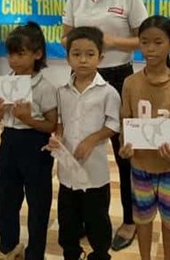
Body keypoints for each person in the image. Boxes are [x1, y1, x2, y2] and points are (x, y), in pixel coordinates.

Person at [61, 0, 148, 250]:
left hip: (119, 78)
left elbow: (144, 40)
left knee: (125, 153)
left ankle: (130, 220)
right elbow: (65, 37)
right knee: (80, 146)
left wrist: (111, 42)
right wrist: (79, 46)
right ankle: (86, 217)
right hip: (82, 78)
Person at [118, 16, 170, 260]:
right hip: (140, 166)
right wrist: (124, 146)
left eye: (158, 42)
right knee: (142, 219)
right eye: (145, 42)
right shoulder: (130, 83)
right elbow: (125, 121)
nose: (150, 49)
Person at [49, 26, 121, 260]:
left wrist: (93, 139)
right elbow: (60, 123)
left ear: (100, 58)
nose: (82, 60)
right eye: (76, 54)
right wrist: (57, 138)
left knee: (97, 220)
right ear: (68, 58)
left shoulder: (108, 92)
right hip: (68, 171)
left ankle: (100, 254)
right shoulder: (61, 91)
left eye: (90, 54)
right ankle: (71, 253)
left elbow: (114, 124)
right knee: (68, 221)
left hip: (95, 173)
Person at [0, 23, 57, 260]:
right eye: (10, 55)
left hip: (35, 144)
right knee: (3, 198)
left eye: (20, 54)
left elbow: (52, 125)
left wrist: (29, 120)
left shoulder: (45, 87)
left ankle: (35, 252)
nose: (14, 60)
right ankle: (9, 246)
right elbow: (0, 117)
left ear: (37, 54)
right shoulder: (4, 83)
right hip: (9, 141)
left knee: (38, 203)